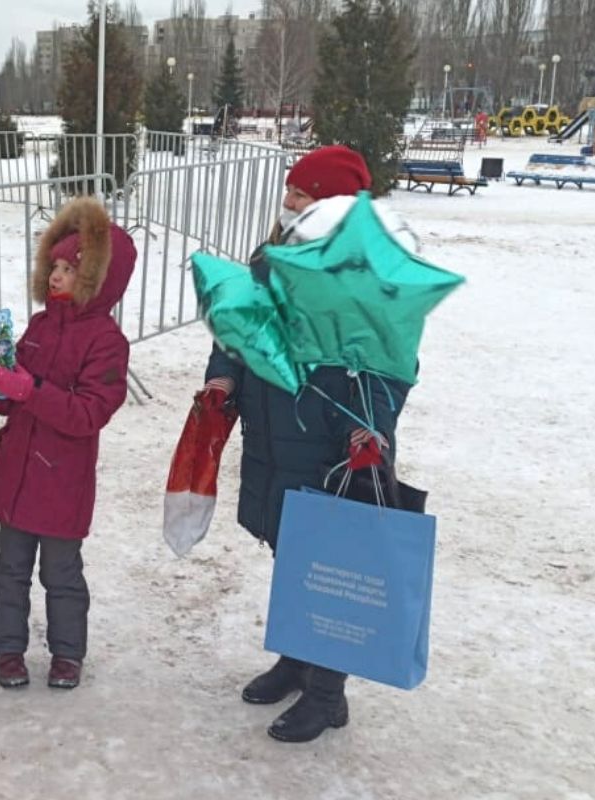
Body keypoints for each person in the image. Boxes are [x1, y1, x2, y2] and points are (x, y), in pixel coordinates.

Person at [199, 145, 419, 743]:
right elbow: (238, 331)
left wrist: (368, 423)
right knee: (292, 555)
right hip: (274, 436)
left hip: (334, 443)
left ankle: (328, 695)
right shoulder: (271, 263)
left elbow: (391, 364)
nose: (289, 201)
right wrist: (223, 375)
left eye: (302, 194)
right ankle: (298, 661)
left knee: (332, 565)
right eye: (292, 192)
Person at [0, 197, 136, 690]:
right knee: (9, 569)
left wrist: (28, 390)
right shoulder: (39, 328)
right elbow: (17, 392)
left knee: (61, 575)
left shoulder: (105, 341)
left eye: (69, 269)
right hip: (17, 473)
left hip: (62, 482)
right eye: (54, 266)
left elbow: (88, 413)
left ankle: (67, 652)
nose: (56, 276)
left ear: (98, 280)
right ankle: (7, 647)